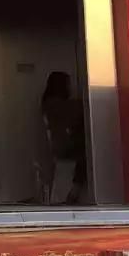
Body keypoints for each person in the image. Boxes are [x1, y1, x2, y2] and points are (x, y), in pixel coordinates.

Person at [40, 71, 87, 205]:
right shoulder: (55, 104)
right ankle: (74, 191)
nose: (70, 88)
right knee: (87, 153)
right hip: (64, 147)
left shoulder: (49, 104)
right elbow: (81, 108)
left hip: (60, 146)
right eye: (68, 84)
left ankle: (75, 190)